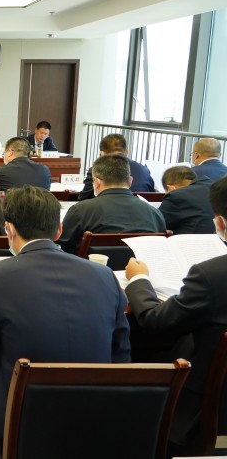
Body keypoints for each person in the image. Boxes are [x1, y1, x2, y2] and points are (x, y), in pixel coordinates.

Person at [0, 186, 131, 459]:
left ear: (9, 229)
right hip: (94, 414)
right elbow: (121, 354)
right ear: (58, 230)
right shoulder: (105, 275)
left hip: (19, 416)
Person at [124, 175, 227, 456]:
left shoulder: (211, 275)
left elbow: (155, 322)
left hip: (202, 409)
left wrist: (139, 280)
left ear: (219, 223)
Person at [57, 154, 165, 254]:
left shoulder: (81, 211)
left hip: (91, 268)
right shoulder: (155, 214)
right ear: (130, 181)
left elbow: (60, 249)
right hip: (141, 268)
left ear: (96, 182)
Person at [78, 133, 155, 200]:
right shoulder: (144, 170)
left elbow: (84, 198)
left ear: (102, 153)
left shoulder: (98, 169)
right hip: (141, 210)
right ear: (126, 152)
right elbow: (152, 195)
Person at [159, 165, 214, 235]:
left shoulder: (175, 196)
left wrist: (171, 193)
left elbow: (156, 224)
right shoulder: (215, 187)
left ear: (169, 187)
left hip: (191, 240)